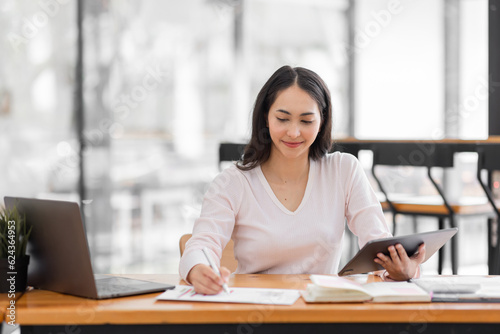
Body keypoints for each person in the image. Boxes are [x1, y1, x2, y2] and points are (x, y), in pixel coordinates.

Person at [179, 65, 425, 294]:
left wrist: (403, 268)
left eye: (306, 121)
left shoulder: (344, 170)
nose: (294, 132)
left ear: (322, 121)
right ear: (266, 117)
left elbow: (378, 246)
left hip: (321, 311)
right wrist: (198, 269)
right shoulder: (233, 181)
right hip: (255, 309)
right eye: (282, 119)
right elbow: (201, 244)